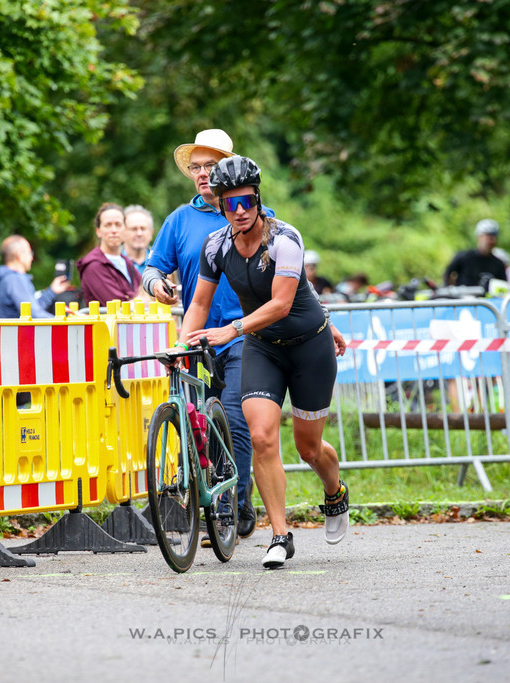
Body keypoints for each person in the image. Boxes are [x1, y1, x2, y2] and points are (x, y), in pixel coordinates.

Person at [179, 155, 349, 569]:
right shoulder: (216, 245)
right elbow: (200, 301)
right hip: (263, 348)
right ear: (218, 205)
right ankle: (279, 535)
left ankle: (335, 491)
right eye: (229, 204)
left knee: (309, 448)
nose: (239, 211)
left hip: (309, 346)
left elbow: (281, 303)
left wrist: (232, 329)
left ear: (258, 199)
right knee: (261, 437)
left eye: (246, 202)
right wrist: (182, 344)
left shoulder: (284, 239)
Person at [141, 128, 258, 540]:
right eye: (197, 167)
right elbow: (152, 267)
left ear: (228, 165)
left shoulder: (249, 212)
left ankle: (233, 506)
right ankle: (214, 499)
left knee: (235, 420)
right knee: (201, 424)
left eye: (212, 165)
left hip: (245, 334)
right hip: (198, 337)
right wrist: (156, 285)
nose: (204, 173)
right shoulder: (179, 220)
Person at [0, 235, 72, 318]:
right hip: (18, 331)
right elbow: (34, 314)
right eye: (30, 253)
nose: (32, 258)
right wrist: (63, 323)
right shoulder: (15, 279)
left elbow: (30, 309)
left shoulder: (5, 277)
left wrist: (52, 291)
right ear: (19, 256)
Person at [77, 203, 143, 305]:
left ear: (125, 230)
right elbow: (118, 306)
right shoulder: (93, 266)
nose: (114, 230)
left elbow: (145, 291)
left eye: (118, 224)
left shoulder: (127, 262)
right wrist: (138, 298)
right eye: (108, 225)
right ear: (98, 231)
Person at [444, 219, 508, 288]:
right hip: (464, 297)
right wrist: (449, 289)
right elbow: (448, 273)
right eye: (488, 236)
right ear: (479, 237)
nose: (491, 240)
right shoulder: (464, 257)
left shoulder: (498, 264)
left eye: (493, 236)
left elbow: (503, 285)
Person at [123, 205, 154, 275]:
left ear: (151, 233)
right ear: (123, 232)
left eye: (143, 228)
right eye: (134, 229)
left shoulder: (161, 264)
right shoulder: (113, 263)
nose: (139, 233)